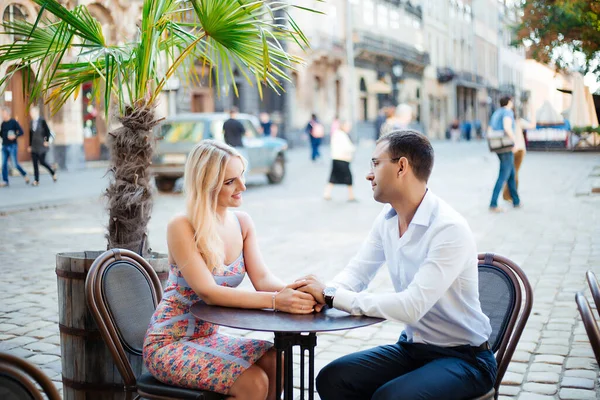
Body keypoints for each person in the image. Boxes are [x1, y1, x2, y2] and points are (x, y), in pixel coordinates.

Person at [296, 130, 496, 400]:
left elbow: (411, 307)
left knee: (390, 398)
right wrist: (321, 295)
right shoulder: (388, 218)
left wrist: (333, 296)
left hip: (466, 358)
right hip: (414, 349)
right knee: (333, 378)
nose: (369, 174)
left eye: (376, 163)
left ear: (401, 166)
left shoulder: (448, 229)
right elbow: (358, 271)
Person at [143, 140, 316, 399]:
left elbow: (264, 279)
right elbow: (209, 292)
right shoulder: (182, 225)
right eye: (230, 182)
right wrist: (276, 301)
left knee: (277, 361)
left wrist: (303, 292)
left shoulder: (243, 223)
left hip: (208, 339)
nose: (242, 187)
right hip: (169, 343)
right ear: (206, 183)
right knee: (254, 382)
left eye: (242, 176)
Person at [488, 96, 520, 212]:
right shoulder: (507, 112)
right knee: (503, 175)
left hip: (497, 146)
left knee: (511, 173)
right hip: (506, 146)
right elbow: (507, 127)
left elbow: (489, 129)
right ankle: (493, 204)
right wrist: (514, 142)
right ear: (509, 102)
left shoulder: (496, 113)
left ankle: (516, 201)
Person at [502, 117, 534, 202]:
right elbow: (532, 125)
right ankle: (510, 196)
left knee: (511, 173)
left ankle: (510, 196)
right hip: (518, 149)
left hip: (508, 149)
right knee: (514, 173)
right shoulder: (519, 121)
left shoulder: (505, 119)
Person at [323, 121, 356, 202]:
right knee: (348, 177)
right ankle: (351, 196)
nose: (349, 128)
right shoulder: (341, 135)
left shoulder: (337, 134)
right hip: (342, 158)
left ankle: (327, 193)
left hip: (337, 158)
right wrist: (353, 149)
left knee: (333, 177)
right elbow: (346, 147)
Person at [28, 106, 57, 186]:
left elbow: (47, 131)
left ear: (37, 112)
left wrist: (46, 141)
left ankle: (52, 172)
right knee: (34, 163)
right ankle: (36, 180)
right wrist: (29, 145)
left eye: (33, 112)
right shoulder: (31, 122)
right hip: (34, 145)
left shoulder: (42, 121)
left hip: (41, 145)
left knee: (42, 162)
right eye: (31, 112)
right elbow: (30, 135)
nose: (31, 114)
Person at [1, 107, 29, 187]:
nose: (2, 115)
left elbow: (21, 132)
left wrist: (14, 136)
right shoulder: (3, 124)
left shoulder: (13, 122)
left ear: (7, 113)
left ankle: (24, 174)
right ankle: (5, 181)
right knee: (4, 164)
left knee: (15, 164)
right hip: (4, 146)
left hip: (12, 145)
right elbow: (1, 134)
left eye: (3, 113)